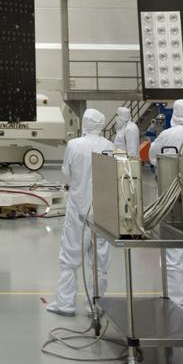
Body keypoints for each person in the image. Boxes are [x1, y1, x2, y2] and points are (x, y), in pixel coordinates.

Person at [47, 108, 113, 316]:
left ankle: (65, 303)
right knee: (100, 259)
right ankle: (96, 305)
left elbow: (67, 172)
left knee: (70, 255)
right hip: (103, 210)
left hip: (78, 208)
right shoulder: (109, 146)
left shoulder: (74, 145)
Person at [148, 99, 183, 311]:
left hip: (171, 202)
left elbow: (152, 157)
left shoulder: (167, 135)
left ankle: (178, 308)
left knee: (174, 254)